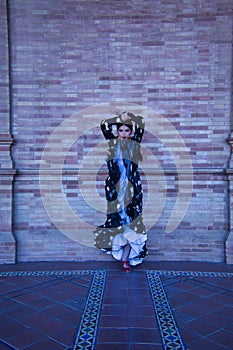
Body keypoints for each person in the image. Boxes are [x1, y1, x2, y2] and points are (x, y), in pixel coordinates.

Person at [94, 111, 148, 272]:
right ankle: (123, 257)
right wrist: (118, 119)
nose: (124, 133)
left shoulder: (134, 143)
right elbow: (104, 124)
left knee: (133, 224)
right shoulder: (112, 144)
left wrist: (129, 115)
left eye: (126, 130)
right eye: (121, 130)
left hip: (132, 191)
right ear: (117, 132)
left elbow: (141, 123)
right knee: (118, 223)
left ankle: (125, 259)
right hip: (115, 191)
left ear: (130, 132)